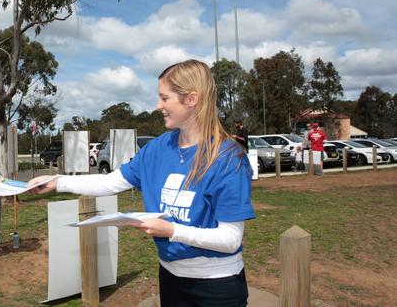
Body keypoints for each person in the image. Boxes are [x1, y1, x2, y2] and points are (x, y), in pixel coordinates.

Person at [30, 60, 255, 307]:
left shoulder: (228, 158)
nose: (158, 106)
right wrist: (57, 182)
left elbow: (230, 238)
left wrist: (171, 231)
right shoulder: (158, 147)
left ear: (191, 99)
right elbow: (110, 183)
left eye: (164, 98)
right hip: (170, 278)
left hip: (217, 286)